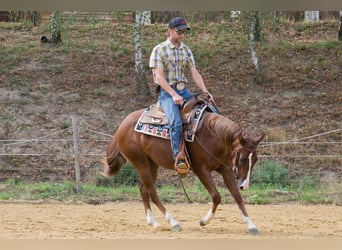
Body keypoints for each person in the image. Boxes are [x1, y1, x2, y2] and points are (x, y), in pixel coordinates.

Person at [149, 17, 215, 174]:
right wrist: (173, 94)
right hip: (166, 92)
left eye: (184, 32)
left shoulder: (186, 50)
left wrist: (205, 90)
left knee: (210, 111)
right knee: (176, 123)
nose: (182, 35)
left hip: (184, 91)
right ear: (169, 31)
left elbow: (194, 73)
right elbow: (158, 77)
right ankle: (178, 158)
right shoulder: (159, 50)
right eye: (179, 32)